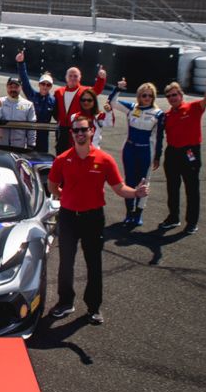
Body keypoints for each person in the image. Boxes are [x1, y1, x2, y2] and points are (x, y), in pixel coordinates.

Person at [48, 114, 149, 324]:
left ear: (91, 131)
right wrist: (65, 196)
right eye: (76, 130)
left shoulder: (104, 160)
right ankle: (65, 302)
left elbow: (120, 188)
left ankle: (93, 307)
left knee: (94, 263)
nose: (80, 134)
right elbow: (52, 186)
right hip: (68, 217)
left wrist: (136, 193)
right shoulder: (62, 159)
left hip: (93, 218)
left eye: (84, 129)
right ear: (72, 133)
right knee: (66, 263)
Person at [158, 76, 206, 235]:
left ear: (181, 95)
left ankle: (192, 222)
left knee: (192, 188)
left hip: (190, 152)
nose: (172, 98)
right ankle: (173, 217)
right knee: (172, 188)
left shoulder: (193, 108)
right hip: (172, 153)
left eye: (175, 95)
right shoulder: (166, 116)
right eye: (169, 96)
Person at [106, 79, 165, 227]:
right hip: (130, 150)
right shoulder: (132, 108)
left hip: (145, 151)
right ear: (139, 96)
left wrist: (157, 156)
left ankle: (138, 213)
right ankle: (129, 213)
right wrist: (118, 88)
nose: (147, 98)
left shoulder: (158, 114)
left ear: (154, 97)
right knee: (129, 181)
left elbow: (159, 137)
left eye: (150, 96)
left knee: (143, 182)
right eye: (144, 95)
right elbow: (112, 102)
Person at [54, 65, 107, 153]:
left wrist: (101, 79)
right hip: (62, 129)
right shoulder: (58, 92)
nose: (72, 78)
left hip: (77, 129)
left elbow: (96, 90)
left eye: (75, 76)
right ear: (66, 77)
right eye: (70, 76)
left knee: (76, 153)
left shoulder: (84, 90)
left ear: (80, 77)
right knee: (60, 153)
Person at [16, 51, 56, 153]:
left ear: (51, 87)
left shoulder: (53, 100)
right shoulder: (32, 95)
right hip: (30, 134)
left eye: (48, 85)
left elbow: (59, 116)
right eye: (43, 84)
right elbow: (24, 81)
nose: (45, 86)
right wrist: (21, 63)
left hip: (43, 136)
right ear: (39, 84)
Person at [0, 76, 37, 150]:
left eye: (16, 87)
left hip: (19, 146)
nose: (13, 89)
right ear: (7, 87)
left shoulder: (28, 105)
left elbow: (32, 127)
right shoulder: (0, 101)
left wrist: (31, 144)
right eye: (11, 87)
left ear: (21, 87)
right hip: (2, 145)